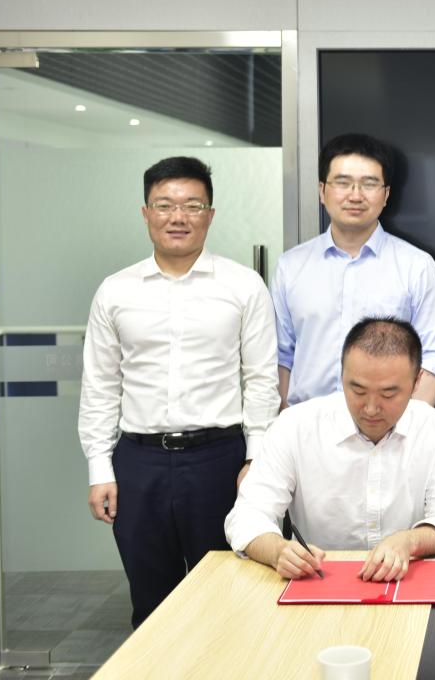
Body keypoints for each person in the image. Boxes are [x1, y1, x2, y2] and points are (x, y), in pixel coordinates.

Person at [78, 156, 280, 627]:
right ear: (145, 212)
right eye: (164, 205)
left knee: (231, 598)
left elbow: (261, 380)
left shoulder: (243, 286)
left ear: (210, 214)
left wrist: (256, 459)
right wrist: (99, 467)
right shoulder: (115, 291)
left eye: (192, 205)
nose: (178, 217)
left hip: (220, 461)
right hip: (139, 463)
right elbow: (101, 385)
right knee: (152, 606)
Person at [225, 318, 435, 581]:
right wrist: (279, 551)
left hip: (407, 582)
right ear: (342, 374)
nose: (371, 408)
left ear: (416, 382)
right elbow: (246, 516)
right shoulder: (295, 426)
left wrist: (410, 541)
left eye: (388, 394)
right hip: (319, 581)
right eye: (358, 390)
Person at [272, 133, 435, 408]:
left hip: (391, 424)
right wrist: (289, 421)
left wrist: (405, 425)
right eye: (343, 183)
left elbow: (433, 356)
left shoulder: (417, 267)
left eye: (369, 184)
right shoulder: (290, 266)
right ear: (322, 191)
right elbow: (281, 356)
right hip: (307, 424)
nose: (355, 195)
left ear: (386, 195)